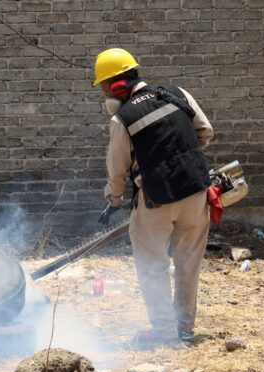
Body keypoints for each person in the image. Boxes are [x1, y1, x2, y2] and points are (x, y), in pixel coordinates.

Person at [92, 48, 214, 346]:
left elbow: (117, 168)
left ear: (115, 85)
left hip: (155, 199)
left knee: (153, 267)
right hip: (196, 191)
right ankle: (184, 328)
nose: (105, 94)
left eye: (105, 88)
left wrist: (114, 200)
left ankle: (164, 332)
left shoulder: (122, 118)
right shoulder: (177, 93)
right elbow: (205, 132)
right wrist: (179, 158)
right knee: (188, 264)